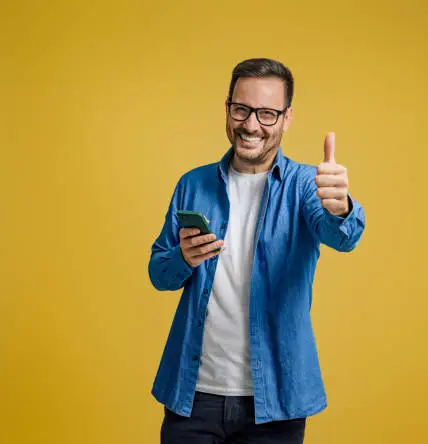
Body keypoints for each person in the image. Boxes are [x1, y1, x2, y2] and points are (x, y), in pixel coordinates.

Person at [148, 58, 366, 444]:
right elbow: (158, 273)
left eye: (267, 113)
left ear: (286, 118)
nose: (251, 125)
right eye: (241, 109)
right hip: (193, 397)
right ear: (227, 109)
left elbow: (343, 236)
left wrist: (342, 207)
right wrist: (183, 258)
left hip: (275, 403)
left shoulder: (304, 185)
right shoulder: (193, 184)